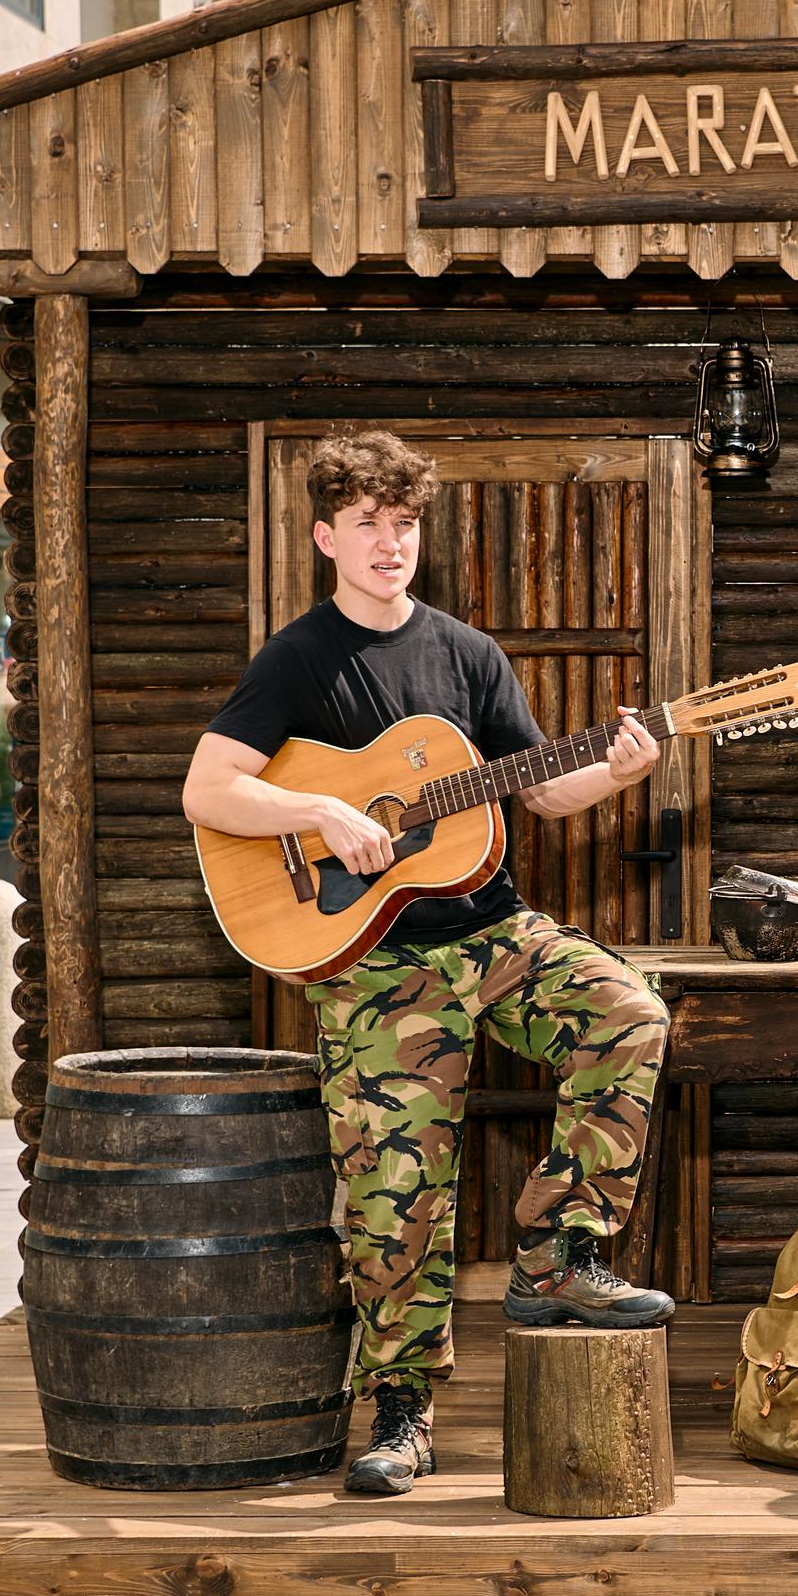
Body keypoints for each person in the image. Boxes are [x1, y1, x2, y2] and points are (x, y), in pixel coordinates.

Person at [181, 429, 672, 1499]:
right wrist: (319, 807)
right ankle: (403, 1410)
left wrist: (624, 766)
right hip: (375, 967)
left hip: (494, 935)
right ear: (326, 535)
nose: (388, 542)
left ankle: (560, 1254)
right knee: (393, 1192)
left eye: (403, 523)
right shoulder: (299, 658)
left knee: (629, 1011)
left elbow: (539, 788)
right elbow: (209, 790)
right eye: (366, 523)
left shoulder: (466, 652)